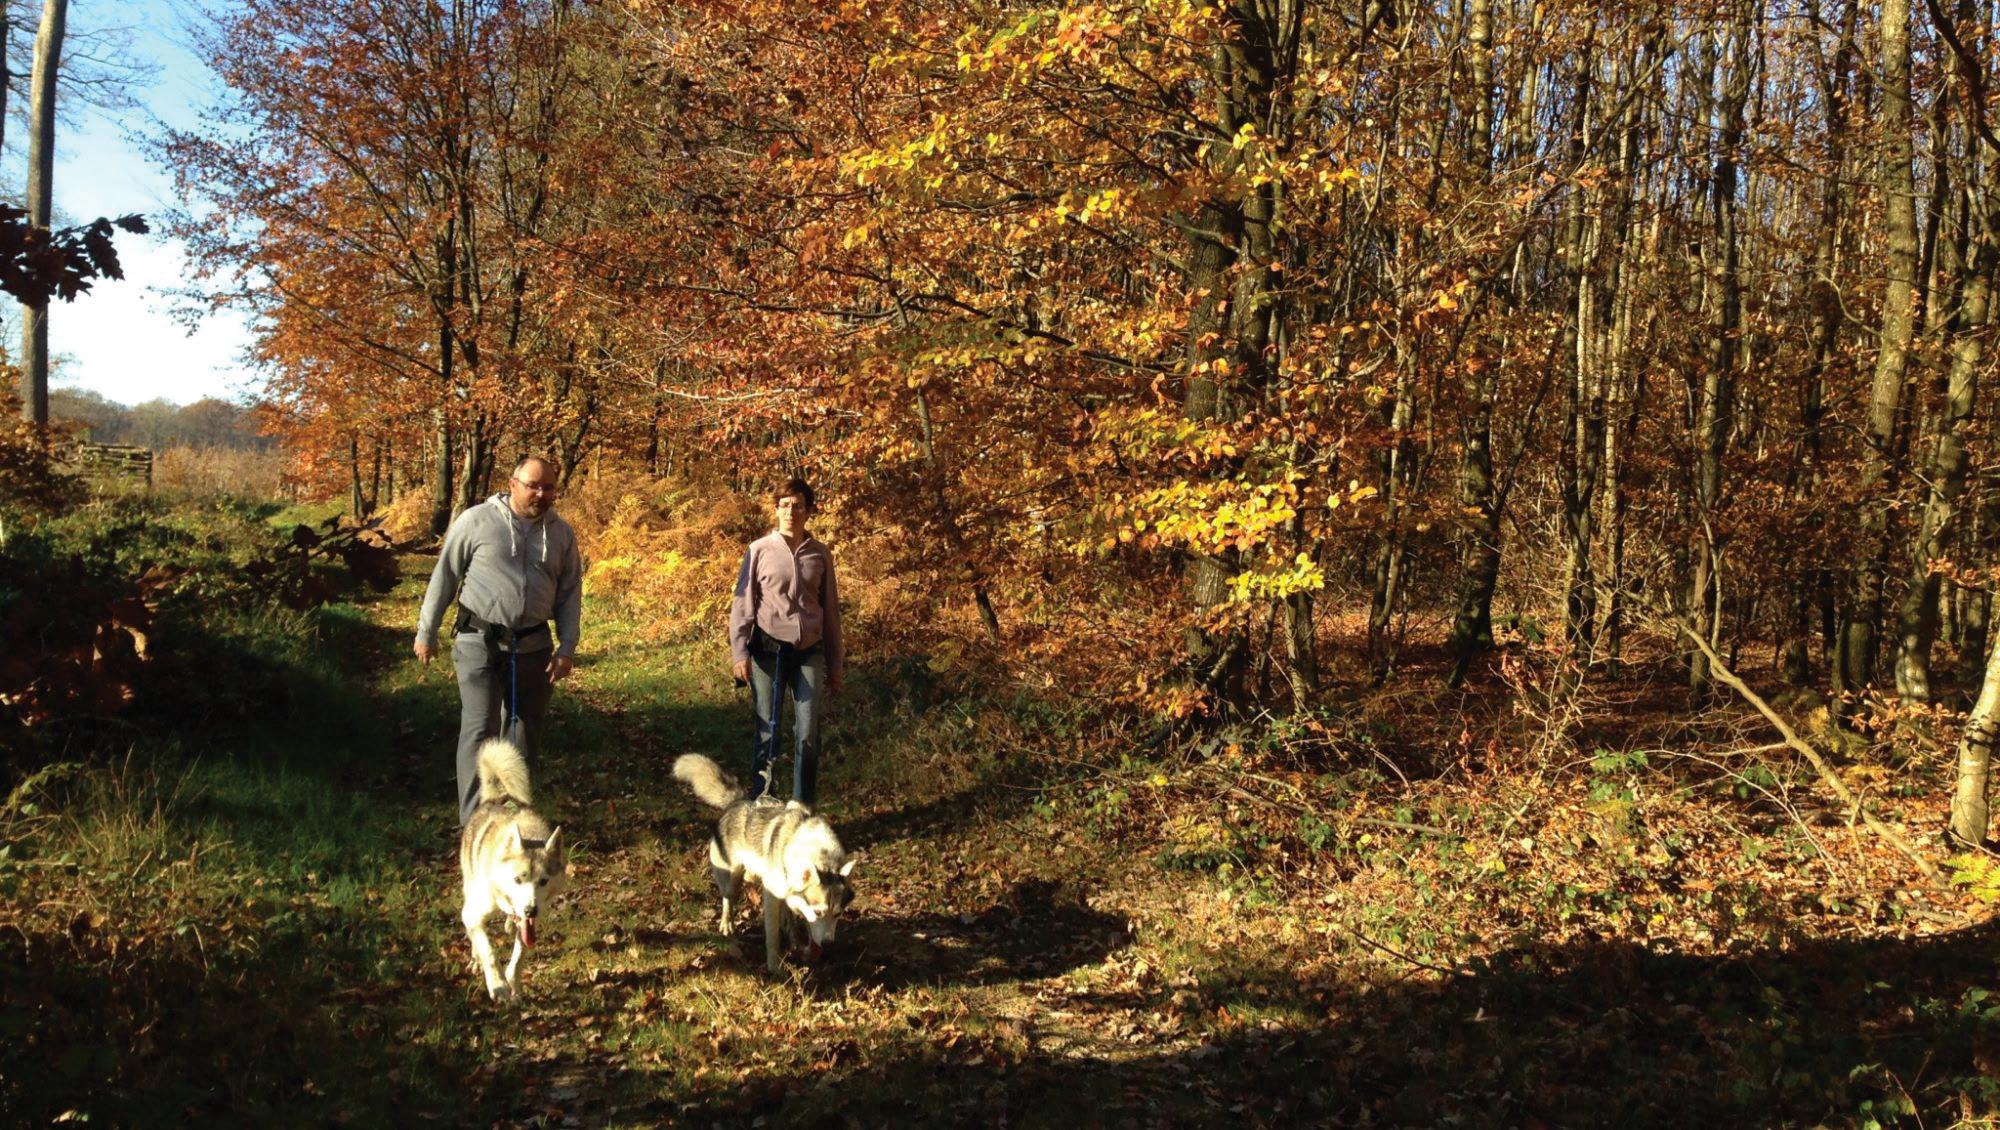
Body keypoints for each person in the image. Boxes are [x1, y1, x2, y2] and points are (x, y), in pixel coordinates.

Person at [415, 455, 583, 825]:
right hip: (480, 640)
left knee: (523, 735)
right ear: (512, 484)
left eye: (549, 487)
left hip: (533, 646)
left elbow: (570, 594)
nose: (541, 493)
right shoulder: (477, 521)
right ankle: (475, 824)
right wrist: (427, 631)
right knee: (480, 728)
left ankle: (511, 819)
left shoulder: (561, 534)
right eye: (533, 485)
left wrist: (566, 648)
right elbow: (444, 575)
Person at [730, 477, 843, 805]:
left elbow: (831, 612)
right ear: (776, 510)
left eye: (798, 506)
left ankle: (802, 807)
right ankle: (761, 801)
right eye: (784, 505)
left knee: (807, 733)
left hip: (809, 652)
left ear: (808, 511)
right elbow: (743, 603)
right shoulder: (759, 551)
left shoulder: (820, 554)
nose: (791, 512)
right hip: (767, 651)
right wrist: (739, 652)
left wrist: (835, 665)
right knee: (769, 728)